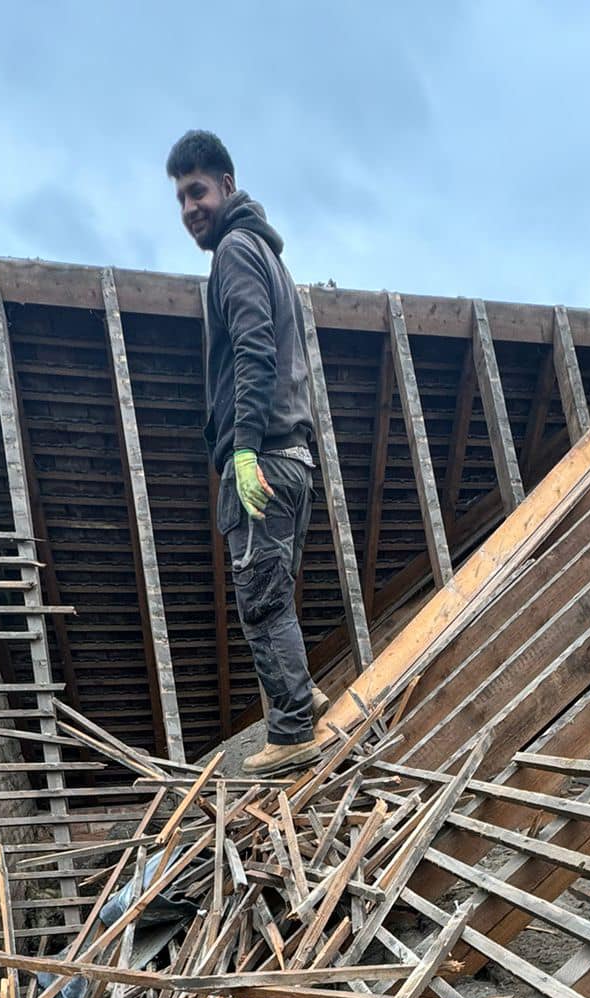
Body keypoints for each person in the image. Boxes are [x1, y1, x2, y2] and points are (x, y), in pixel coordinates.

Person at [167, 129, 327, 775]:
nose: (188, 209)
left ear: (227, 186)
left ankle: (292, 733)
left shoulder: (235, 251)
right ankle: (304, 697)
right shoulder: (266, 253)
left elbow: (256, 353)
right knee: (275, 594)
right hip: (292, 456)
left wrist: (244, 450)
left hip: (262, 457)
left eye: (197, 191)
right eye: (179, 198)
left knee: (259, 603)